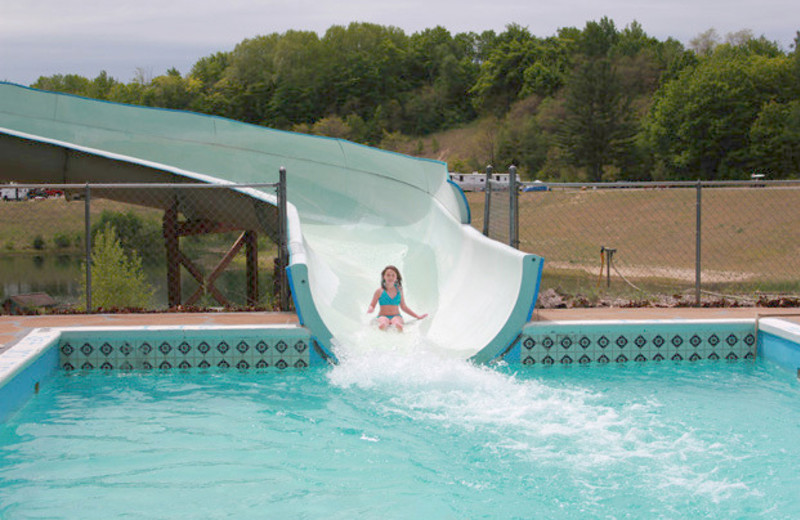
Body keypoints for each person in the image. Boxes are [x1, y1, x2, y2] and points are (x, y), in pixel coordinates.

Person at [367, 265, 428, 331]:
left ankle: (400, 332)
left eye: (393, 275)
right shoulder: (379, 291)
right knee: (383, 323)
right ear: (384, 277)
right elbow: (372, 305)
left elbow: (404, 307)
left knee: (397, 323)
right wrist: (371, 308)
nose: (390, 277)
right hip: (382, 316)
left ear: (396, 278)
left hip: (396, 315)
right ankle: (382, 331)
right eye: (388, 275)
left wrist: (417, 316)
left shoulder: (399, 290)